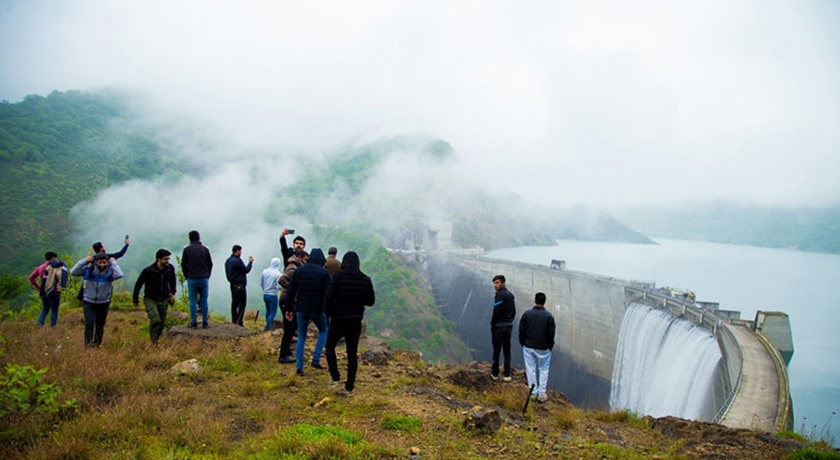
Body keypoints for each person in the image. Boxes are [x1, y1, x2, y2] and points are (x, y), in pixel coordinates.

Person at [325, 251, 375, 395]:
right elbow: (370, 301)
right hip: (355, 320)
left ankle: (335, 376)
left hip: (338, 319)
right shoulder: (365, 279)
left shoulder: (337, 277)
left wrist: (330, 314)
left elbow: (328, 298)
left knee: (330, 346)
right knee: (352, 353)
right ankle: (349, 386)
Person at [286, 248, 330, 376]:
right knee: (323, 331)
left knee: (301, 336)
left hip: (301, 308)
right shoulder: (324, 273)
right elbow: (328, 294)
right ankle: (316, 358)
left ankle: (299, 366)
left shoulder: (299, 271)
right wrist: (329, 312)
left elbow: (291, 290)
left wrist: (289, 308)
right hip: (317, 309)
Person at [71, 253, 123, 347]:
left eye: (104, 262)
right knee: (89, 323)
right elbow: (73, 272)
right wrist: (85, 260)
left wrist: (113, 263)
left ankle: (97, 344)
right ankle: (88, 344)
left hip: (104, 302)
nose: (102, 265)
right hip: (89, 301)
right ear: (96, 262)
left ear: (107, 262)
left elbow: (119, 275)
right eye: (100, 262)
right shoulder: (89, 269)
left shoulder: (110, 271)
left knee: (100, 324)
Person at [133, 249, 177, 345]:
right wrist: (135, 299)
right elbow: (138, 284)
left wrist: (172, 292)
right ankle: (153, 341)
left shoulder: (170, 269)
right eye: (165, 259)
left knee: (161, 323)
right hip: (150, 299)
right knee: (155, 319)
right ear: (159, 259)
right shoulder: (149, 271)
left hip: (164, 299)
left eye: (168, 259)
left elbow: (173, 280)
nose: (168, 261)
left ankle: (156, 340)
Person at [518, 292, 556, 403]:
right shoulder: (549, 316)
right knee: (543, 369)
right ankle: (542, 393)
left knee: (530, 368)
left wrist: (523, 342)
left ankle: (533, 392)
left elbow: (521, 330)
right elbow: (551, 334)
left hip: (528, 346)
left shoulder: (527, 314)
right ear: (544, 302)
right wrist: (550, 346)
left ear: (534, 300)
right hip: (544, 348)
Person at [277, 250, 305, 364]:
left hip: (289, 300)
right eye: (305, 259)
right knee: (289, 328)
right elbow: (281, 279)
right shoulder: (292, 268)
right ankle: (283, 355)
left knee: (292, 327)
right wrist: (292, 289)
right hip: (287, 301)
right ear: (300, 258)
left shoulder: (294, 266)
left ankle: (286, 351)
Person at [181, 230, 213, 329]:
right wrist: (208, 275)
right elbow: (210, 264)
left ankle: (193, 322)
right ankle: (205, 322)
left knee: (193, 301)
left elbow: (183, 264)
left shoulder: (187, 250)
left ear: (189, 239)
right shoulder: (205, 249)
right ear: (199, 238)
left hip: (192, 278)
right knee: (204, 300)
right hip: (204, 278)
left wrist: (186, 276)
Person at [29, 251, 66, 328]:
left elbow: (31, 278)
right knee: (54, 309)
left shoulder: (40, 267)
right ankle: (53, 326)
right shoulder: (54, 267)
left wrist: (39, 287)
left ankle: (40, 324)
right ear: (53, 257)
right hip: (54, 290)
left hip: (44, 290)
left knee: (45, 308)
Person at [491, 274, 516, 381]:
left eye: (497, 283)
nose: (495, 285)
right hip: (508, 326)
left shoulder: (499, 295)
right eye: (494, 283)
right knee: (507, 350)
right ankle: (507, 374)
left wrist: (493, 324)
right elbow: (514, 311)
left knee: (496, 350)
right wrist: (509, 321)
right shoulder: (510, 295)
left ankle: (495, 373)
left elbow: (496, 311)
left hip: (499, 327)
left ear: (502, 283)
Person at [225, 244, 253, 326]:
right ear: (237, 251)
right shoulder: (237, 261)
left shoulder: (228, 261)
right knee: (242, 303)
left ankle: (234, 320)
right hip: (240, 285)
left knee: (234, 303)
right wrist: (250, 263)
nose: (241, 252)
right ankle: (239, 321)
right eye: (240, 251)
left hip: (232, 284)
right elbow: (246, 270)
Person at [260, 257, 282, 332]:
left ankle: (267, 324)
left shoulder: (265, 271)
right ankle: (267, 328)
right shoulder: (278, 274)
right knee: (272, 312)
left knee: (268, 311)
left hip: (265, 294)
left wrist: (264, 289)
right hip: (273, 295)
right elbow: (279, 286)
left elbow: (261, 282)